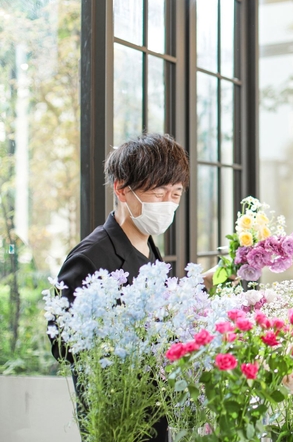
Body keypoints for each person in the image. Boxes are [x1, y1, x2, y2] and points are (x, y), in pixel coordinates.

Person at [50, 133, 203, 442]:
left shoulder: (149, 247)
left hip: (154, 415)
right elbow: (63, 345)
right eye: (158, 192)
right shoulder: (90, 258)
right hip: (116, 419)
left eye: (175, 193)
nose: (168, 204)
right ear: (121, 188)